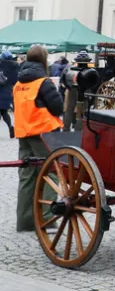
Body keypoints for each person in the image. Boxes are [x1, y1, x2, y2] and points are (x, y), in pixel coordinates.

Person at [13, 45, 64, 231]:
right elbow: (57, 107)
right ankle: (47, 218)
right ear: (43, 59)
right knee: (50, 173)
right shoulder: (44, 82)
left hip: (23, 133)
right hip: (43, 133)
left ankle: (25, 221)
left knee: (26, 176)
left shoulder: (18, 84)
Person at [0, 50, 19, 138]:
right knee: (4, 111)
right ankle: (10, 126)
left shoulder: (0, 65)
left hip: (0, 89)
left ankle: (10, 127)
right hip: (9, 91)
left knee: (2, 112)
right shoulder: (15, 66)